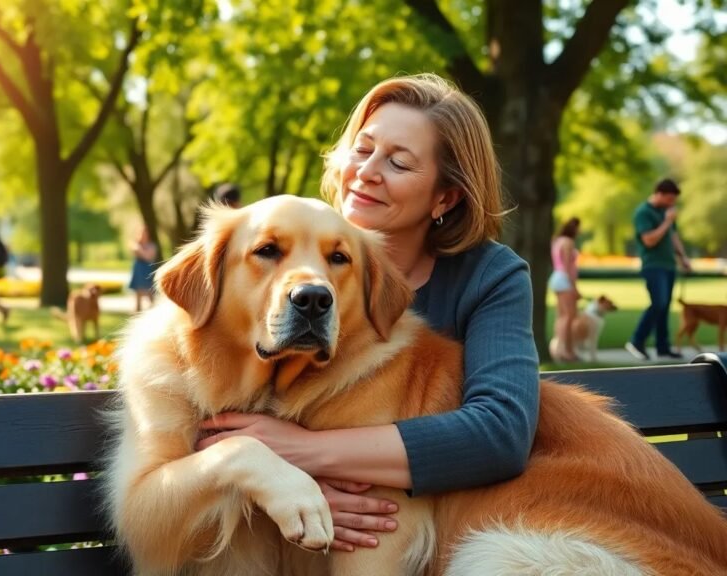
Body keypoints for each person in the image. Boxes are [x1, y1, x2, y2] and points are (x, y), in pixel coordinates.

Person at [196, 74, 539, 552]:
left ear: (445, 197)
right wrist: (296, 485)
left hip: (455, 519)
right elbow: (218, 412)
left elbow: (500, 432)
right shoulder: (290, 244)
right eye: (362, 149)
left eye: (399, 162)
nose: (367, 172)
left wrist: (306, 454)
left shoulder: (489, 276)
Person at [625, 178, 691, 361]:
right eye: (669, 199)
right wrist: (667, 222)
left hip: (669, 265)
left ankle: (663, 347)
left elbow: (673, 236)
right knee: (659, 303)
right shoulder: (643, 212)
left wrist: (683, 257)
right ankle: (637, 341)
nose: (672, 203)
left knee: (665, 306)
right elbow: (649, 240)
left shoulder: (665, 212)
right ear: (659, 194)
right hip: (653, 265)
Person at [548, 218, 581, 362]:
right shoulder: (568, 242)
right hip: (564, 279)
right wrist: (574, 287)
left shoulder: (557, 241)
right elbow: (568, 266)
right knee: (569, 316)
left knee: (561, 316)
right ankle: (566, 351)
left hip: (557, 277)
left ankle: (559, 348)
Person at [128, 225, 158, 312]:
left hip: (147, 271)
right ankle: (137, 313)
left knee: (150, 294)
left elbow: (148, 257)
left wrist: (140, 250)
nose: (143, 235)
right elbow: (135, 249)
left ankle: (153, 312)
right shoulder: (135, 244)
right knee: (138, 295)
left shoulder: (151, 246)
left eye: (145, 233)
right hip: (138, 271)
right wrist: (140, 249)